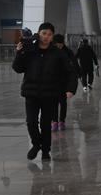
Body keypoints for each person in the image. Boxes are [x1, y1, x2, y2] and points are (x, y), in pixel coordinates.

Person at [12, 22, 78, 161]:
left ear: (52, 36)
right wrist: (19, 53)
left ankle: (46, 151)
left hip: (50, 94)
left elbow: (70, 71)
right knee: (31, 122)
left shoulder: (58, 53)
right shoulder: (29, 50)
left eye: (49, 34)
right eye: (44, 33)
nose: (46, 37)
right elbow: (18, 68)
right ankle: (36, 145)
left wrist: (71, 89)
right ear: (39, 33)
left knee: (45, 124)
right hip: (31, 93)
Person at [51, 34, 79, 131]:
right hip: (53, 83)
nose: (59, 46)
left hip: (64, 83)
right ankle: (54, 121)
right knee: (53, 103)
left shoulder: (68, 52)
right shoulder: (50, 52)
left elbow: (74, 69)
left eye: (61, 44)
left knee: (63, 103)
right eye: (57, 44)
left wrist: (71, 88)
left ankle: (62, 121)